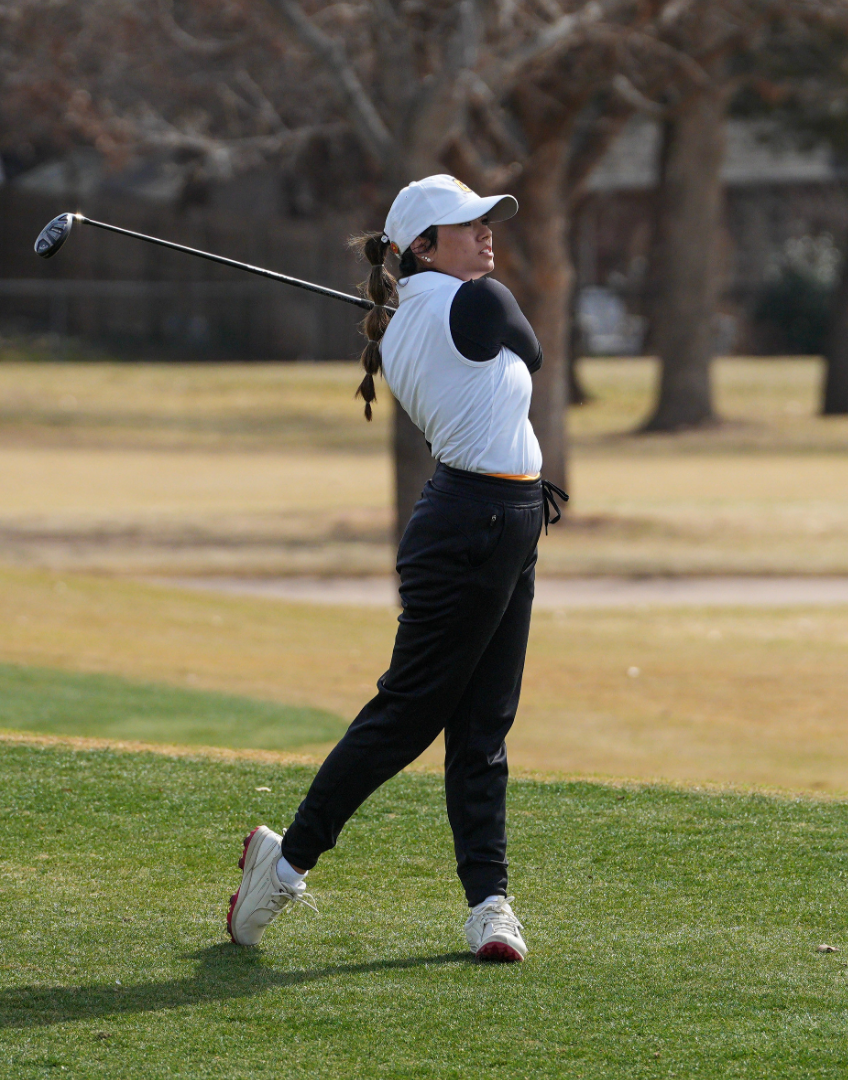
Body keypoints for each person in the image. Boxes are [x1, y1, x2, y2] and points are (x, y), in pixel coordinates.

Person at [226, 174, 565, 962]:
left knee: (483, 723)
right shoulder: (479, 302)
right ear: (423, 246)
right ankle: (286, 863)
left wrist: (411, 299)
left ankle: (489, 904)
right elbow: (535, 351)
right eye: (468, 225)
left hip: (504, 520)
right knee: (410, 713)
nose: (486, 233)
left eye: (486, 221)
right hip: (472, 525)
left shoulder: (407, 319)